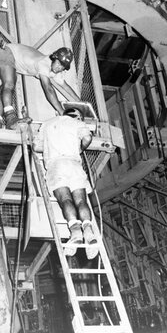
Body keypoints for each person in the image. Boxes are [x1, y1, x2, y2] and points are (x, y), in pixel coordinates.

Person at [37, 107, 99, 259]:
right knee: (81, 201)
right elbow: (88, 139)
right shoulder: (77, 124)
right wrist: (79, 149)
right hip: (74, 165)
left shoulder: (47, 124)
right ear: (77, 116)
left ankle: (75, 230)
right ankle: (88, 230)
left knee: (65, 200)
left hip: (56, 165)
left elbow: (36, 146)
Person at [0, 43, 80, 129]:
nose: (59, 67)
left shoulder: (56, 70)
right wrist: (62, 112)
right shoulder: (44, 63)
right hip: (8, 52)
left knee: (9, 87)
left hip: (14, 58)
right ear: (54, 58)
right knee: (9, 84)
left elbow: (66, 87)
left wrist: (80, 104)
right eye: (58, 63)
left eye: (63, 66)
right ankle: (10, 118)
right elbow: (48, 89)